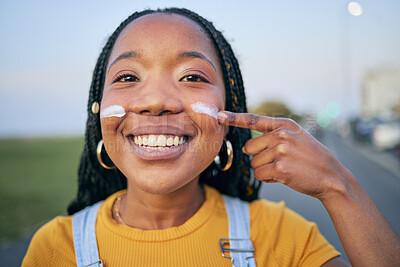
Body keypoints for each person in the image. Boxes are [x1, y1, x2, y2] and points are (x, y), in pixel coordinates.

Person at [22, 8, 400, 267]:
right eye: (127, 77)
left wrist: (339, 187)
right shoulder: (56, 248)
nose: (155, 102)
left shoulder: (278, 237)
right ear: (97, 109)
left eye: (192, 77)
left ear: (228, 112)